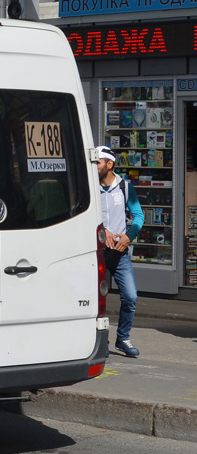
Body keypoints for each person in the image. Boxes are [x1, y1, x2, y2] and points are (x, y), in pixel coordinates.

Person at [97, 145, 143, 357]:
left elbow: (138, 215)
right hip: (98, 253)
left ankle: (123, 338)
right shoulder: (90, 187)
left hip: (120, 253)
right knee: (99, 301)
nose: (94, 166)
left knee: (130, 296)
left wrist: (129, 236)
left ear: (109, 164)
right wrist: (102, 230)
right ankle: (100, 342)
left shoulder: (125, 186)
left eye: (98, 162)